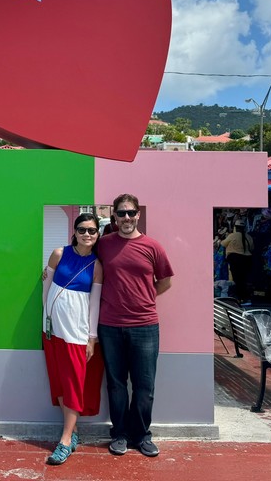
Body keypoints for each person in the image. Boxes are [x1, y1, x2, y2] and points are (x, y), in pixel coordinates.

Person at [96, 194, 174, 458]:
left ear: (138, 214)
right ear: (114, 216)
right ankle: (119, 434)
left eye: (131, 213)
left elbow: (165, 281)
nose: (126, 218)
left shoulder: (153, 246)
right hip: (109, 325)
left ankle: (141, 435)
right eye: (121, 213)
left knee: (144, 386)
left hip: (145, 326)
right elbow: (83, 260)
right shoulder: (104, 244)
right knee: (116, 385)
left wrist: (144, 297)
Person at [41, 213, 104, 465]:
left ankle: (65, 440)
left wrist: (91, 338)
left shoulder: (97, 266)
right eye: (82, 229)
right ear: (74, 232)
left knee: (73, 383)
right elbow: (46, 289)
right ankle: (73, 431)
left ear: (97, 234)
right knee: (58, 381)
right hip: (52, 330)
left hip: (77, 333)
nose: (87, 234)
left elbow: (94, 305)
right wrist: (47, 319)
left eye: (92, 230)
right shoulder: (58, 254)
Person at [221, 219, 254, 305]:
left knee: (237, 280)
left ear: (235, 227)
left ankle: (241, 298)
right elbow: (252, 248)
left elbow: (223, 244)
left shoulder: (232, 236)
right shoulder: (249, 237)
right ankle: (246, 298)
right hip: (247, 259)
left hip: (235, 259)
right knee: (245, 279)